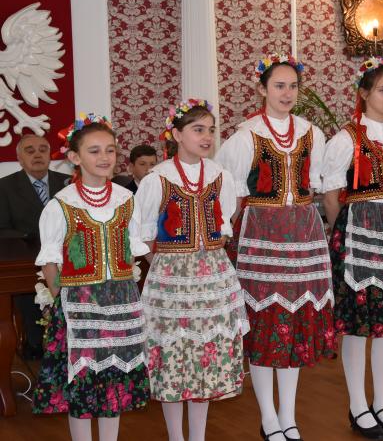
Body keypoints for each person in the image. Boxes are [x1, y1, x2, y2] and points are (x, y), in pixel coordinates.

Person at [216, 53, 335, 441]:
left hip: (302, 234)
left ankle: (289, 414)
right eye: (279, 86)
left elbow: (316, 185)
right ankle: (268, 416)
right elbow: (227, 196)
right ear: (263, 89)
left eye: (293, 86)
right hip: (261, 236)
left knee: (294, 321)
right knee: (266, 322)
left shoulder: (311, 134)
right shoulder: (245, 136)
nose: (287, 93)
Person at [132, 99, 249, 441]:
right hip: (171, 280)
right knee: (173, 357)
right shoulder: (158, 179)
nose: (207, 136)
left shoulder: (220, 176)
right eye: (198, 130)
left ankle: (197, 436)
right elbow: (143, 235)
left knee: (204, 359)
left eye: (210, 130)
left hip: (212, 277)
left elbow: (224, 223)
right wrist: (166, 267)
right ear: (177, 134)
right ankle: (175, 436)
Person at [31, 113, 150, 441]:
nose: (104, 157)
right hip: (79, 304)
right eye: (94, 151)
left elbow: (131, 249)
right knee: (82, 383)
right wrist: (61, 301)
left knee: (114, 379)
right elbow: (50, 261)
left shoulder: (126, 199)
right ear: (74, 157)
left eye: (110, 150)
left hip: (121, 301)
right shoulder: (61, 204)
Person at [322, 57, 383, 440]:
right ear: (364, 93)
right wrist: (343, 236)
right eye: (382, 89)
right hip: (359, 233)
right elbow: (332, 196)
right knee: (359, 324)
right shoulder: (346, 139)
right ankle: (358, 404)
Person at [0, 133, 70, 358]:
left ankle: (70, 345)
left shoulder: (69, 182)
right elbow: (2, 228)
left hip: (69, 260)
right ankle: (36, 348)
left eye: (43, 149)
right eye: (30, 151)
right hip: (26, 261)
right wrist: (31, 236)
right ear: (20, 159)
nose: (37, 154)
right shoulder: (5, 186)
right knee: (30, 306)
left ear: (50, 155)